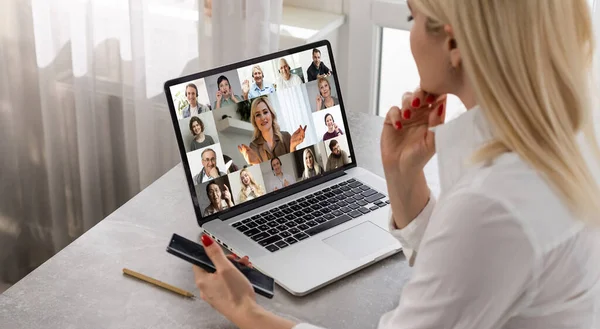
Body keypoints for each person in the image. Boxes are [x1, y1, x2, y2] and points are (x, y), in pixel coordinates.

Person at [190, 0, 600, 328]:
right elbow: (467, 275)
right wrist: (402, 176)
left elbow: (478, 240)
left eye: (413, 16)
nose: (411, 33)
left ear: (454, 45)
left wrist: (248, 312)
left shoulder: (494, 204)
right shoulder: (566, 134)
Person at [237, 96, 307, 165]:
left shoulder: (286, 137)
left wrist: (292, 146)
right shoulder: (253, 146)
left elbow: (295, 164)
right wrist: (255, 162)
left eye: (265, 112)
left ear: (272, 115)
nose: (262, 117)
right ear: (255, 121)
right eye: (258, 115)